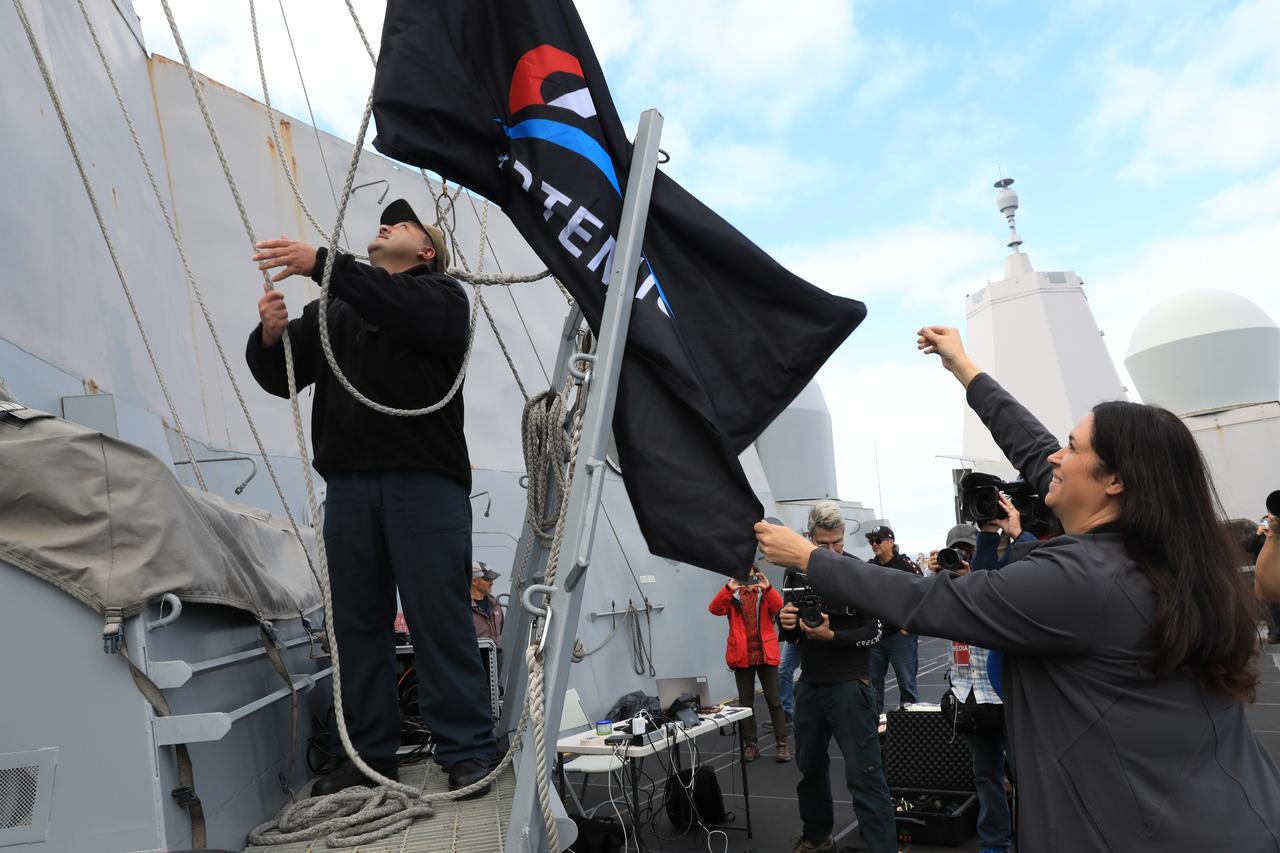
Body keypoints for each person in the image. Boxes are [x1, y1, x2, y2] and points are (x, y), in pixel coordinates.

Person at [755, 325, 1280, 851]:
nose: (1054, 457)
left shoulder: (1083, 579)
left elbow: (930, 601)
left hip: (1140, 831)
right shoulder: (1165, 550)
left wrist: (810, 558)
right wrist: (964, 368)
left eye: (1071, 447)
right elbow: (1036, 451)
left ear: (1115, 481)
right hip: (1232, 811)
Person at [245, 199, 496, 798]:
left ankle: (466, 750)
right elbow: (282, 377)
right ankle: (366, 755)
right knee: (356, 628)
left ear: (427, 252)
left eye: (402, 225)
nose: (385, 226)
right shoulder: (334, 306)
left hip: (424, 486)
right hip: (350, 489)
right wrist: (269, 337)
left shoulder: (442, 299)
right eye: (385, 222)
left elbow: (404, 310)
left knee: (440, 622)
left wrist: (322, 264)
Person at [777, 502, 895, 853]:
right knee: (809, 770)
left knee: (865, 776)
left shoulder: (858, 572)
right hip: (811, 684)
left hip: (850, 685)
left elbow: (876, 633)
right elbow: (793, 635)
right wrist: (785, 625)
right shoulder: (795, 574)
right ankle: (816, 837)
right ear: (809, 538)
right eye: (823, 544)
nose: (831, 552)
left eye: (837, 543)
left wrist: (834, 637)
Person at [933, 522, 1012, 853]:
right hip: (968, 696)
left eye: (971, 553)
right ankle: (995, 842)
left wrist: (975, 580)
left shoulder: (1002, 580)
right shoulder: (945, 591)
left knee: (1026, 773)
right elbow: (917, 619)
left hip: (1006, 696)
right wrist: (936, 580)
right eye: (959, 554)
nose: (964, 561)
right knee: (985, 776)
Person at [708, 566, 790, 762]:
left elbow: (779, 607)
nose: (747, 578)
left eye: (750, 574)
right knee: (746, 704)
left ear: (756, 574)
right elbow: (714, 609)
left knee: (775, 701)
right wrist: (729, 587)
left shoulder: (764, 593)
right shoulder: (732, 596)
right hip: (742, 655)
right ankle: (751, 745)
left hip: (765, 654)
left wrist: (768, 587)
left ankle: (782, 745)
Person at [864, 525, 922, 715]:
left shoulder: (906, 566)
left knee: (907, 684)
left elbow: (923, 594)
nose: (874, 544)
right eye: (871, 541)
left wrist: (910, 626)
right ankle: (876, 727)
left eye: (878, 540)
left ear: (891, 542)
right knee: (873, 686)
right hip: (875, 636)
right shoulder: (869, 567)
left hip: (900, 636)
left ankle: (912, 728)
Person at [470, 561, 504, 645]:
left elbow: (504, 632)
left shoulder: (496, 605)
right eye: (487, 579)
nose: (492, 583)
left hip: (498, 657)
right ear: (474, 581)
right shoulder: (461, 608)